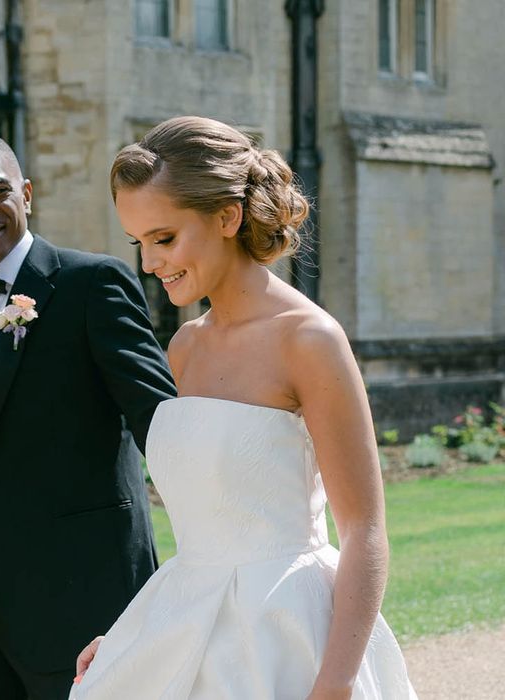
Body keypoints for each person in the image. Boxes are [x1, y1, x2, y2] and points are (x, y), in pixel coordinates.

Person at [69, 116, 417, 699]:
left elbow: (365, 530)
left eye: (164, 238)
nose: (150, 264)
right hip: (191, 621)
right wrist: (135, 640)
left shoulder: (308, 339)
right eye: (140, 243)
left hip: (290, 635)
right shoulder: (184, 347)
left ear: (228, 218)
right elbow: (210, 520)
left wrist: (337, 680)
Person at [0, 130, 177, 700]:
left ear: (26, 194)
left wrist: (203, 572)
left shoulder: (92, 285)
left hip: (85, 604)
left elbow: (163, 425)